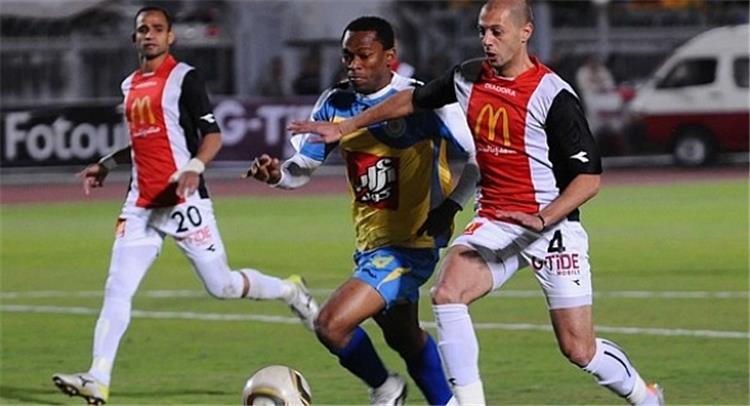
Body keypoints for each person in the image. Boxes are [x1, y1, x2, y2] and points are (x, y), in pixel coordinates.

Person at [288, 1, 664, 405]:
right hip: (497, 220)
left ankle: (645, 397)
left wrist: (543, 218)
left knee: (578, 349)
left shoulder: (553, 95)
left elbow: (589, 179)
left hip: (552, 226)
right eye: (482, 31)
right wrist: (347, 125)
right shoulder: (467, 76)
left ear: (525, 32)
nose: (486, 40)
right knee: (447, 294)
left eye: (496, 31)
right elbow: (412, 101)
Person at [51, 7, 318, 405]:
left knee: (223, 286)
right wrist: (106, 164)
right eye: (143, 29)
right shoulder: (129, 85)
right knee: (117, 288)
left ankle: (289, 290)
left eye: (158, 29)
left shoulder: (184, 78)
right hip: (140, 205)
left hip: (183, 202)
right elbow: (145, 143)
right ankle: (97, 378)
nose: (150, 34)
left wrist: (194, 167)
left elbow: (212, 135)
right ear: (134, 37)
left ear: (170, 36)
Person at [249, 16, 479, 406]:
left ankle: (386, 389)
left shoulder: (424, 101)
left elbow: (479, 157)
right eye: (347, 56)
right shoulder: (334, 103)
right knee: (404, 338)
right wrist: (276, 176)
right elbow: (302, 169)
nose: (353, 64)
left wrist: (453, 205)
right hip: (371, 242)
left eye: (364, 55)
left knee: (331, 324)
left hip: (413, 244)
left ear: (389, 56)